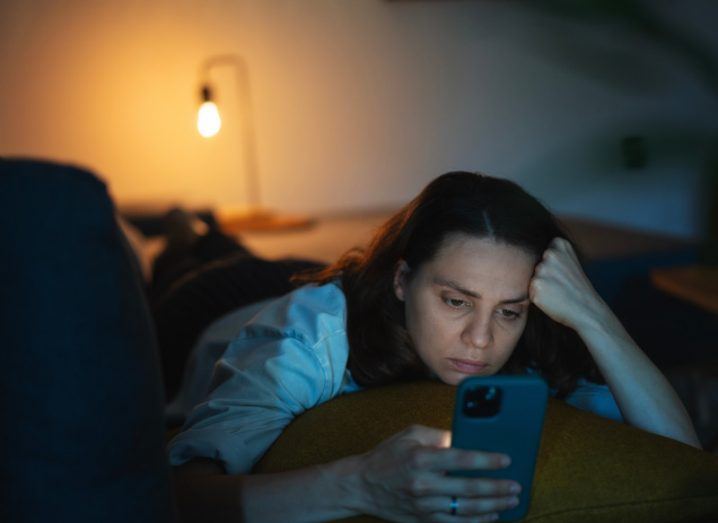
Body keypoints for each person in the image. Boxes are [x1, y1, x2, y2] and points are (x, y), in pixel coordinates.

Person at [166, 171, 700, 523]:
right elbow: (179, 498)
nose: (482, 339)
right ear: (403, 281)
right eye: (455, 301)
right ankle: (184, 233)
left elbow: (686, 467)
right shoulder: (307, 338)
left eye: (509, 310)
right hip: (217, 305)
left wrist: (595, 316)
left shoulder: (532, 335)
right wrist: (358, 484)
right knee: (189, 260)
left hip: (335, 282)